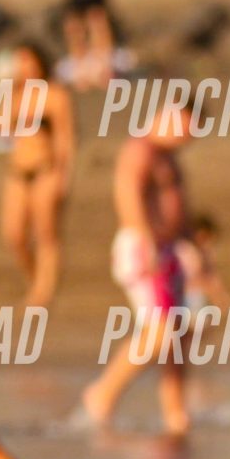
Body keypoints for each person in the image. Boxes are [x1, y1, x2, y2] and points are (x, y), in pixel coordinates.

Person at [81, 101, 198, 436]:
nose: (187, 136)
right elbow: (128, 193)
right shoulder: (140, 150)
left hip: (169, 250)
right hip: (145, 249)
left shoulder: (167, 156)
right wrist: (146, 240)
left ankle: (175, 411)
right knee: (161, 331)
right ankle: (103, 393)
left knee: (179, 334)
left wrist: (192, 245)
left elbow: (178, 205)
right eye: (185, 127)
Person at [0, 43, 75, 307]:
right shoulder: (13, 94)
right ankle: (36, 281)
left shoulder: (55, 95)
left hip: (46, 171)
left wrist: (64, 175)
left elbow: (65, 139)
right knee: (14, 235)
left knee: (46, 234)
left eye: (28, 61)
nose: (25, 68)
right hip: (17, 173)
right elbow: (2, 129)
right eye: (20, 62)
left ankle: (43, 293)